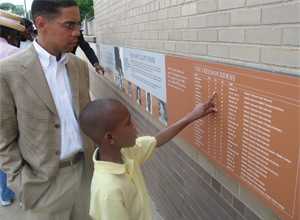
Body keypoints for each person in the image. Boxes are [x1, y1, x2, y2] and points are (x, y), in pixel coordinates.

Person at [0, 1, 95, 219]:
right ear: (41, 24)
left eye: (78, 25)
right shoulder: (7, 72)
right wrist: (20, 182)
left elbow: (86, 116)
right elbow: (4, 137)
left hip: (85, 173)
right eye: (69, 25)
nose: (77, 33)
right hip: (41, 184)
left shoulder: (78, 66)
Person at [79, 93, 217, 220]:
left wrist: (192, 116)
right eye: (128, 123)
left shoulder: (124, 153)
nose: (134, 125)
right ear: (110, 137)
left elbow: (157, 140)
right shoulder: (108, 192)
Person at [0, 9, 25, 207]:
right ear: (9, 33)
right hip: (11, 114)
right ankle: (24, 194)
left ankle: (5, 195)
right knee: (15, 150)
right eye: (17, 34)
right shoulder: (13, 54)